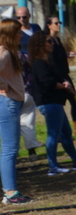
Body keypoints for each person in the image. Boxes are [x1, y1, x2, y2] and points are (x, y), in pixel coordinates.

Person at [28, 32, 76, 175]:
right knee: (53, 134)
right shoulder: (39, 62)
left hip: (55, 102)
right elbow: (46, 82)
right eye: (49, 41)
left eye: (52, 41)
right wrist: (63, 86)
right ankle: (53, 166)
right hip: (48, 102)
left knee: (65, 132)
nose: (52, 44)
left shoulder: (47, 60)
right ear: (40, 45)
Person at [0, 19, 33, 205]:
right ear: (10, 35)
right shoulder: (4, 52)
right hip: (7, 102)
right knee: (10, 149)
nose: (21, 35)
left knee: (9, 149)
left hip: (9, 102)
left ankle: (9, 191)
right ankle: (11, 193)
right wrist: (6, 87)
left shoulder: (8, 52)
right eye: (18, 33)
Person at [46, 16, 76, 136]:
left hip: (64, 73)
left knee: (74, 100)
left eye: (60, 22)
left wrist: (66, 54)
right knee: (60, 103)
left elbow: (59, 56)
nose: (59, 25)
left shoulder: (57, 40)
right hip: (58, 76)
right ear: (49, 25)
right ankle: (59, 131)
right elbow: (51, 60)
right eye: (56, 23)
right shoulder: (48, 40)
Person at [15, 6, 43, 162]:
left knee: (25, 119)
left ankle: (28, 151)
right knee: (24, 120)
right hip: (19, 89)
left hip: (25, 87)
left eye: (24, 17)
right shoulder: (18, 56)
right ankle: (26, 151)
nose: (21, 20)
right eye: (18, 18)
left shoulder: (36, 29)